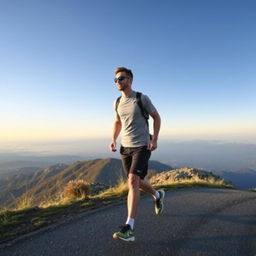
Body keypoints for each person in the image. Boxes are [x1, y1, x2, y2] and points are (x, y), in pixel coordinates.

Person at [109, 67, 164, 242]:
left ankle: (129, 228)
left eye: (121, 78)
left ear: (130, 80)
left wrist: (154, 139)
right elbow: (118, 121)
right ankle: (157, 195)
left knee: (132, 180)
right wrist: (113, 139)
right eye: (116, 80)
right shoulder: (117, 102)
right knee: (137, 182)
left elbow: (156, 117)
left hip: (142, 145)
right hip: (125, 147)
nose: (118, 82)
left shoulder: (141, 98)